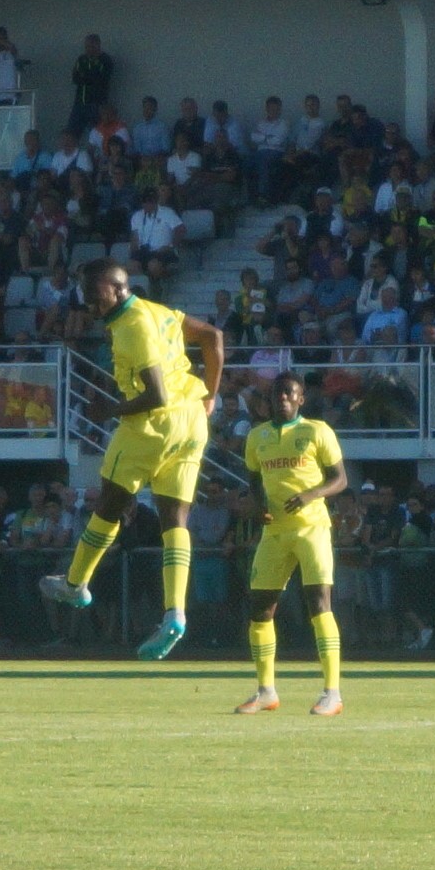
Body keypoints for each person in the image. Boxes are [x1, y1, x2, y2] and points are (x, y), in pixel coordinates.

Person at [40, 259, 224, 660]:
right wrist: (209, 395)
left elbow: (155, 394)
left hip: (152, 425)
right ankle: (175, 613)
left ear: (117, 288)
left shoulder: (132, 326)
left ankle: (75, 582)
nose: (87, 301)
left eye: (93, 292)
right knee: (174, 518)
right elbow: (212, 336)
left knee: (109, 503)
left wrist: (109, 411)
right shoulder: (160, 313)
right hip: (192, 421)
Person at [233, 372, 349, 716]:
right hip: (275, 532)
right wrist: (258, 507)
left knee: (319, 603)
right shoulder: (257, 437)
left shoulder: (316, 431)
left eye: (290, 393)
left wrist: (311, 494)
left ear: (301, 399)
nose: (282, 398)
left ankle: (332, 693)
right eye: (277, 394)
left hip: (311, 528)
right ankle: (266, 691)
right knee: (261, 608)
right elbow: (254, 480)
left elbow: (340, 478)